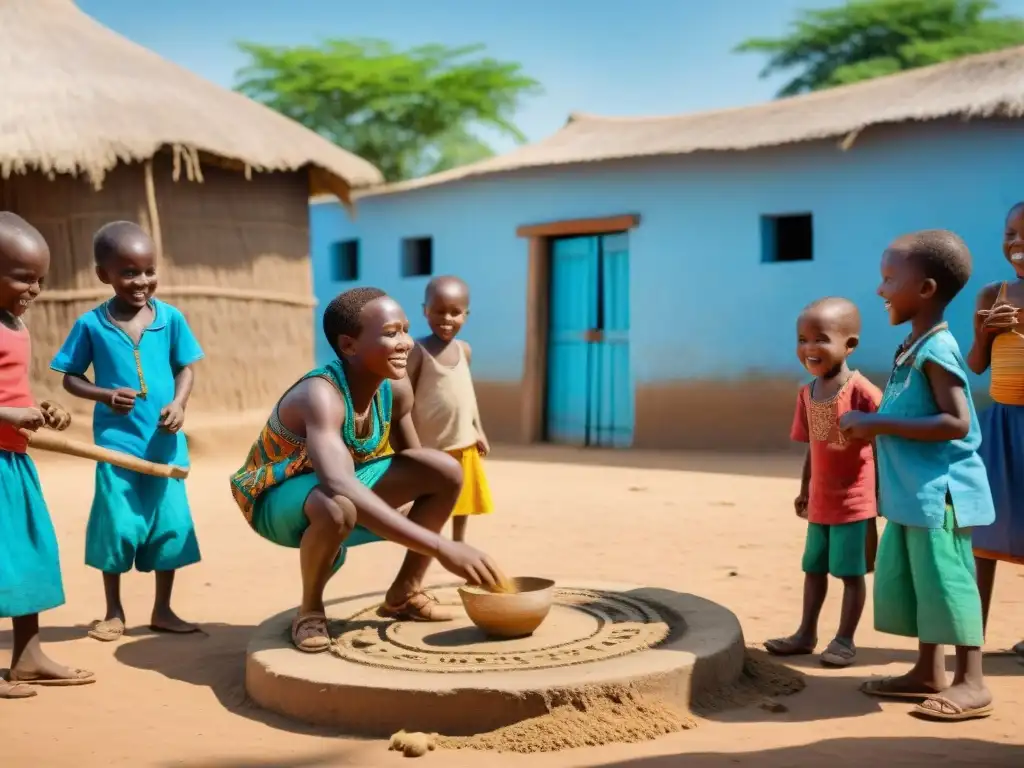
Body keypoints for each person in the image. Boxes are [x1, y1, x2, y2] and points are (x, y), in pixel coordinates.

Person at [229, 286, 505, 653]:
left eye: (406, 329)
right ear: (348, 346)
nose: (406, 342)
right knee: (335, 505)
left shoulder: (396, 387)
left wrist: (416, 515)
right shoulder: (321, 396)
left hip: (341, 491)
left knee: (445, 469)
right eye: (391, 333)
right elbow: (339, 482)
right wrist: (442, 546)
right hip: (277, 500)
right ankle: (310, 610)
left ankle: (405, 594)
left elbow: (418, 465)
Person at [841, 229, 994, 721]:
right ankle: (928, 670)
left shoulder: (938, 350)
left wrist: (875, 423)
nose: (880, 290)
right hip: (913, 494)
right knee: (923, 582)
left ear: (925, 290)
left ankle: (972, 681)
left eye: (889, 280)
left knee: (950, 581)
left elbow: (957, 422)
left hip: (942, 494)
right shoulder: (914, 343)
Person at [50, 221, 204, 642]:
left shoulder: (170, 319)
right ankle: (113, 611)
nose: (142, 282)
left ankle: (163, 609)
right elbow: (69, 376)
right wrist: (102, 394)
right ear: (104, 275)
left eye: (149, 270)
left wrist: (179, 403)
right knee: (117, 525)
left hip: (165, 445)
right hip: (117, 447)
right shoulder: (91, 324)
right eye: (129, 272)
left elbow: (185, 368)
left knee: (170, 525)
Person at [0, 212, 95, 698]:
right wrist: (7, 416)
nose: (34, 289)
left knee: (31, 556)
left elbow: (10, 387)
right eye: (23, 277)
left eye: (40, 279)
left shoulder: (14, 322)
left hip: (12, 463)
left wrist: (38, 407)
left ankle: (28, 655)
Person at [765, 297, 881, 668]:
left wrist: (879, 495)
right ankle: (805, 634)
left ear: (850, 345)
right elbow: (813, 448)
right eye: (802, 339)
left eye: (821, 339)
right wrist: (804, 489)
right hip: (820, 500)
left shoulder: (863, 391)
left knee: (850, 573)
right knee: (813, 568)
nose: (809, 348)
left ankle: (844, 640)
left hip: (853, 502)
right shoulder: (807, 392)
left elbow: (884, 442)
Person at [965, 201, 1024, 660]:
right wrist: (986, 333)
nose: (1017, 243)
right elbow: (976, 365)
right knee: (985, 532)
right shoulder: (993, 294)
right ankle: (972, 635)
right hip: (1002, 425)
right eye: (1010, 234)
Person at [408, 276, 493, 543]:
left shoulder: (464, 350)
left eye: (455, 313)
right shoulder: (417, 351)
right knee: (429, 509)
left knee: (463, 500)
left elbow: (467, 395)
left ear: (466, 315)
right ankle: (424, 555)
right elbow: (404, 399)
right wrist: (410, 444)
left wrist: (477, 429)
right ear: (425, 311)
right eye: (439, 311)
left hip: (463, 442)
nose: (447, 319)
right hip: (431, 446)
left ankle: (459, 545)